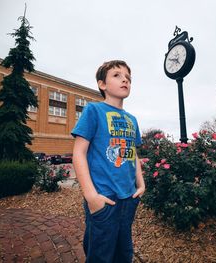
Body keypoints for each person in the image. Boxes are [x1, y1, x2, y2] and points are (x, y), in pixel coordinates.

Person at [72, 60, 145, 263]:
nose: (125, 79)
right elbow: (78, 153)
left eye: (128, 78)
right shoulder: (93, 111)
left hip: (129, 198)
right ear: (102, 84)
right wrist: (91, 196)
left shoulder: (132, 119)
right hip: (105, 198)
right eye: (117, 75)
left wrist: (141, 184)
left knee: (124, 254)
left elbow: (134, 153)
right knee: (100, 255)